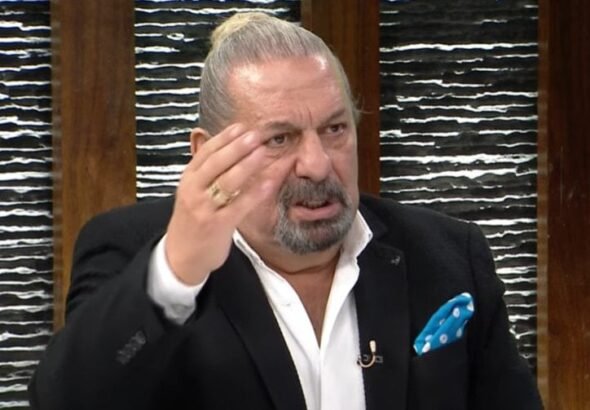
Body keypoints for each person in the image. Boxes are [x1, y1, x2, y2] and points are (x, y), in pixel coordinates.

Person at [29, 12, 543, 410]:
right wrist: (177, 273)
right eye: (280, 138)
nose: (317, 165)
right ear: (207, 152)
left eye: (335, 129)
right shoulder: (134, 251)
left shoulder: (448, 256)